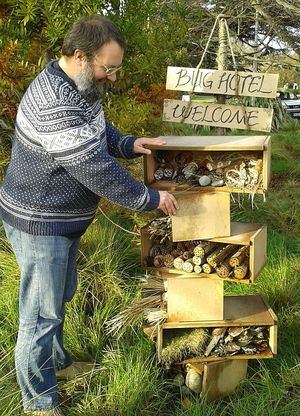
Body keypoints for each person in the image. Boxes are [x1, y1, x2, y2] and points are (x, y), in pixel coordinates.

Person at [0, 15, 178, 415]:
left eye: (115, 68)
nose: (112, 77)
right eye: (107, 68)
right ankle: (38, 403)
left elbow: (97, 131)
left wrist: (129, 143)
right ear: (80, 56)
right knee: (40, 315)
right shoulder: (54, 102)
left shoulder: (78, 87)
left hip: (61, 220)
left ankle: (58, 365)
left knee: (60, 296)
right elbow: (94, 168)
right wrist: (149, 199)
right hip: (40, 223)